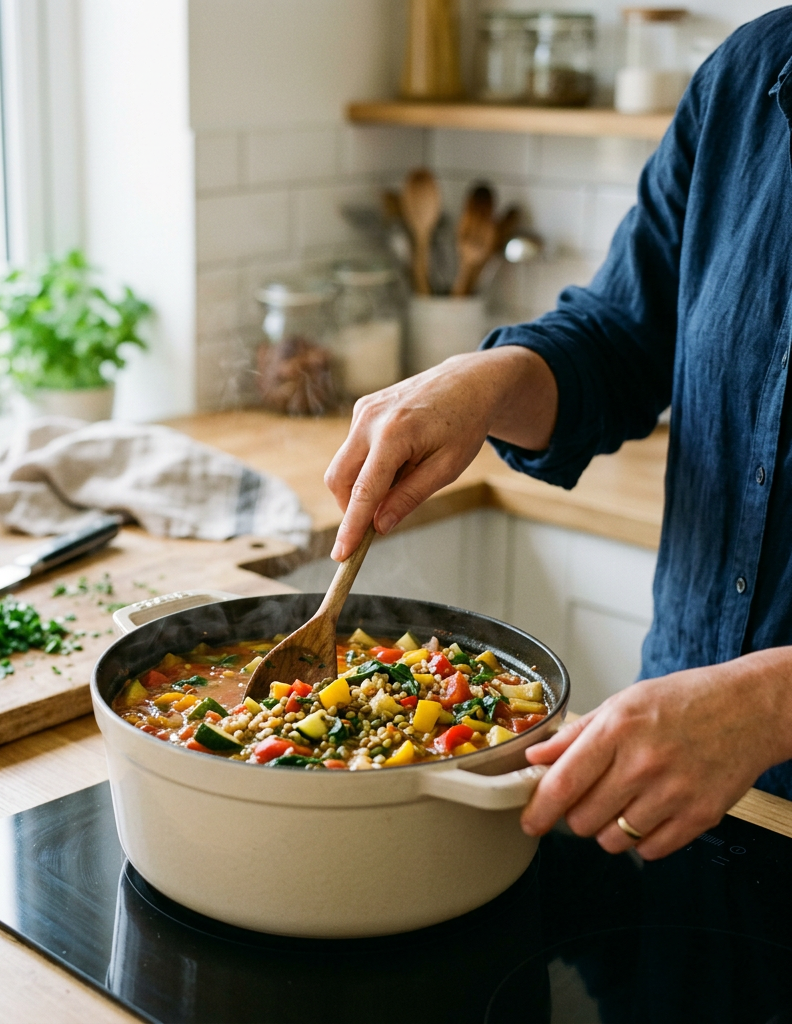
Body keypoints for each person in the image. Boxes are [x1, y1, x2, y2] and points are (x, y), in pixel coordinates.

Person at [324, 8, 792, 861]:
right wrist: (484, 381)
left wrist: (771, 703)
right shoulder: (749, 74)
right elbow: (621, 342)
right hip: (668, 774)